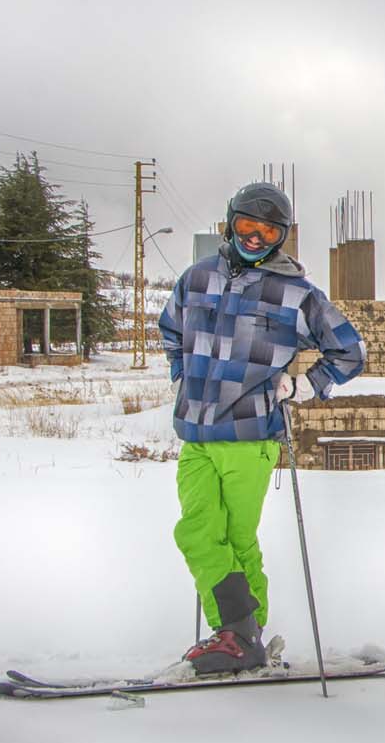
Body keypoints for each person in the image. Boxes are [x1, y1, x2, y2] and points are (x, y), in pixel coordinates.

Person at [157, 182, 366, 674]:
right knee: (197, 532)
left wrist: (302, 387)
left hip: (249, 436)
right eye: (247, 225)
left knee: (235, 536)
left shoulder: (296, 293)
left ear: (283, 236)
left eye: (268, 229)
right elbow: (171, 331)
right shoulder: (197, 278)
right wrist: (180, 377)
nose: (255, 237)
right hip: (194, 434)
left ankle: (236, 635)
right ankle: (241, 633)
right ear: (229, 223)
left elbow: (349, 351)